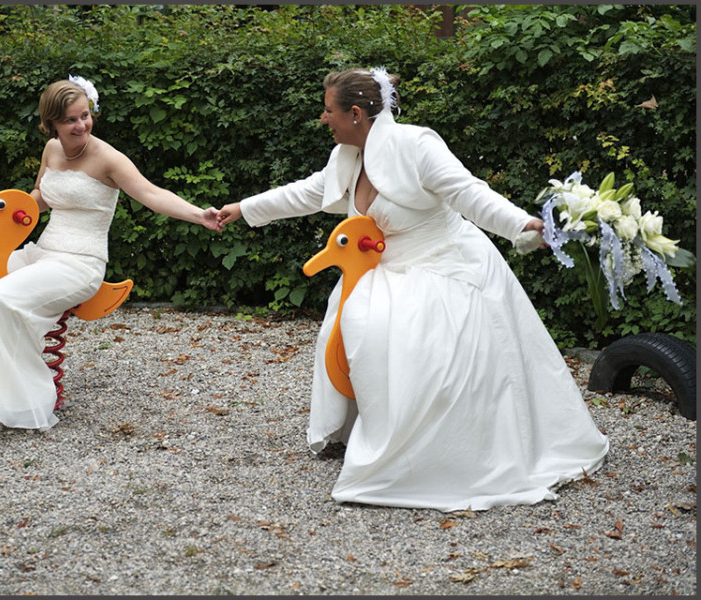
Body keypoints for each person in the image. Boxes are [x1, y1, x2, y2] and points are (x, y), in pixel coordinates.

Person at [217, 67, 609, 511]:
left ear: (357, 113)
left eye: (329, 111)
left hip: (446, 266)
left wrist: (521, 224)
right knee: (351, 324)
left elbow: (469, 193)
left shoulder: (416, 145)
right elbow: (308, 193)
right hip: (387, 269)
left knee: (409, 339)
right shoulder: (347, 155)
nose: (323, 119)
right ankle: (363, 429)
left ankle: (437, 453)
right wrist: (242, 209)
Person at [0, 75, 221, 431]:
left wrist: (200, 215)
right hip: (43, 253)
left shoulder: (108, 158)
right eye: (71, 119)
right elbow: (41, 197)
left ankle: (24, 404)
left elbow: (151, 194)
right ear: (52, 124)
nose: (81, 125)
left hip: (79, 264)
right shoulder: (52, 150)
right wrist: (10, 212)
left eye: (85, 116)